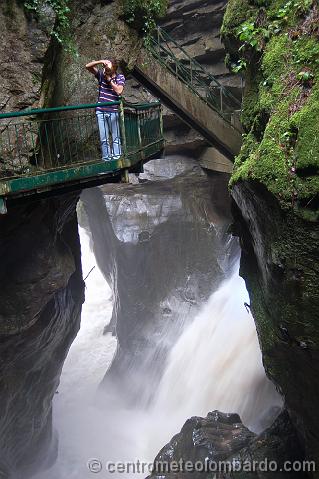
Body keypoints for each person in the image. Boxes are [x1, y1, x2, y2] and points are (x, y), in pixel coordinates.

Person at [85, 58, 125, 160]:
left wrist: (110, 80)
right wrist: (101, 61)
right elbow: (87, 66)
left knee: (116, 137)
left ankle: (116, 158)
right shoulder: (101, 75)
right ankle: (107, 160)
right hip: (101, 110)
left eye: (110, 69)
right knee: (104, 138)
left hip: (113, 111)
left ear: (114, 69)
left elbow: (119, 91)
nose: (107, 70)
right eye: (106, 68)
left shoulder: (120, 77)